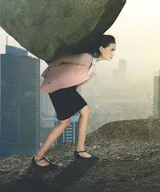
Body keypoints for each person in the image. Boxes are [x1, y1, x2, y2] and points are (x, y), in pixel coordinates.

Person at [32, 34, 116, 168]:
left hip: (68, 89)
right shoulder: (86, 58)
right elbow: (61, 60)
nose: (113, 53)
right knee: (65, 122)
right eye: (112, 49)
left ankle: (80, 150)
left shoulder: (93, 63)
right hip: (59, 88)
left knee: (83, 113)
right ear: (101, 49)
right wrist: (51, 76)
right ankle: (38, 158)